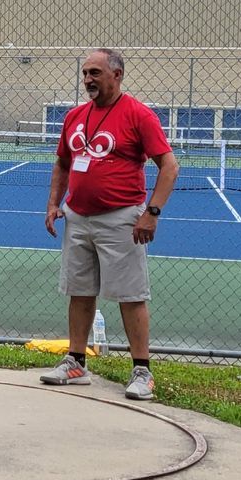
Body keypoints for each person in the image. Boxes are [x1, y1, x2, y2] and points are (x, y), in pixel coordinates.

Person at [40, 48, 181, 400]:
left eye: (95, 73)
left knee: (131, 296)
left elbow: (169, 166)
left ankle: (142, 371)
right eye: (85, 72)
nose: (88, 79)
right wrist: (54, 203)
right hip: (78, 218)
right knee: (80, 291)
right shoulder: (74, 116)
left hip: (121, 219)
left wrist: (152, 212)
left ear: (116, 75)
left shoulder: (139, 115)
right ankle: (76, 363)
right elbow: (62, 163)